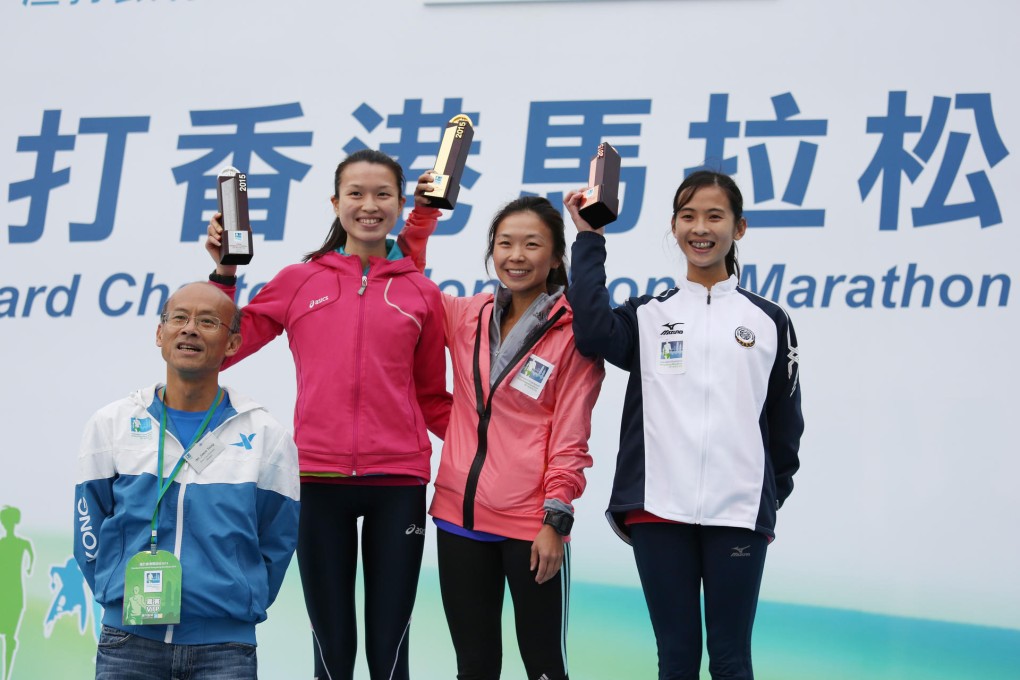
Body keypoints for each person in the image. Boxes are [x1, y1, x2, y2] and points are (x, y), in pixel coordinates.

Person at [204, 149, 451, 680]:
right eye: (356, 194)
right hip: (315, 480)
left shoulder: (420, 293)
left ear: (400, 202)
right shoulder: (300, 280)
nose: (369, 205)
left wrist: (495, 445)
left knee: (389, 651)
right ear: (335, 203)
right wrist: (225, 272)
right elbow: (227, 346)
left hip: (398, 481)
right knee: (332, 649)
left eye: (383, 194)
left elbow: (433, 397)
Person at [564, 171, 803, 680]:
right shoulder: (648, 316)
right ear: (673, 226)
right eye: (688, 216)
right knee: (675, 659)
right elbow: (589, 330)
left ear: (739, 228)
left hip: (737, 512)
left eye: (714, 216)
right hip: (657, 511)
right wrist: (589, 237)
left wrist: (766, 495)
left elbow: (786, 423)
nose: (701, 228)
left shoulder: (768, 320)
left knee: (732, 659)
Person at [400, 194, 605, 680]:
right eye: (505, 243)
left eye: (532, 244)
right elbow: (406, 281)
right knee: (474, 666)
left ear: (556, 257)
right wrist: (424, 214)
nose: (516, 255)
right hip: (458, 519)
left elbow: (570, 437)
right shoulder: (465, 313)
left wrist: (555, 519)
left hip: (531, 526)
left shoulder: (575, 335)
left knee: (544, 668)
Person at [73, 282, 300, 680]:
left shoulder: (266, 434)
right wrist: (115, 591)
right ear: (160, 334)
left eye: (208, 322)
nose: (190, 329)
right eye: (179, 318)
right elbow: (88, 523)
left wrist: (240, 597)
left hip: (226, 649)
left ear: (232, 344)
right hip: (128, 643)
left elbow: (277, 540)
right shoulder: (113, 423)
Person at [0, 505, 34, 680]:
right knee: (9, 638)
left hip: (14, 594)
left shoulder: (22, 544)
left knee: (10, 638)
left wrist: (28, 568)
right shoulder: (11, 544)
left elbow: (30, 560)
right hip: (6, 592)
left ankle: (6, 675)